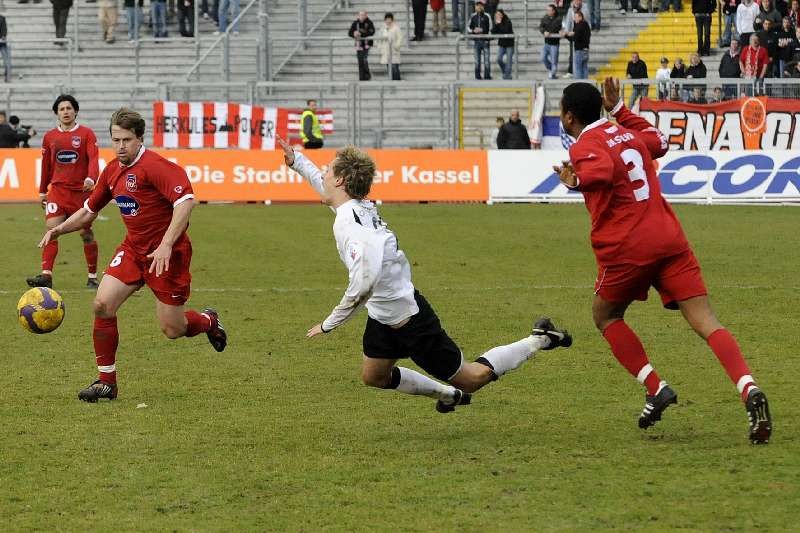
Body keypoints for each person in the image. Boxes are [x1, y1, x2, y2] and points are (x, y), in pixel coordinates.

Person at [275, 133, 573, 413]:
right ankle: (448, 395)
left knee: (472, 378)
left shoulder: (352, 227)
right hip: (383, 316)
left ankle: (539, 339)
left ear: (340, 181)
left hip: (410, 321)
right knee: (374, 375)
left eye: (327, 171)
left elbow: (363, 285)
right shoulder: (352, 207)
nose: (323, 174)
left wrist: (329, 323)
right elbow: (325, 187)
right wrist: (297, 161)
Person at [552, 78, 772, 444]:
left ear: (569, 117)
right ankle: (748, 386)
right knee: (706, 320)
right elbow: (661, 141)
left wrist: (576, 180)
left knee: (605, 315)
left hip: (628, 246)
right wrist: (620, 110)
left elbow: (600, 172)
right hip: (669, 237)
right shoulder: (626, 134)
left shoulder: (585, 145)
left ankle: (656, 387)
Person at [36, 108, 227, 402]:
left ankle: (208, 321)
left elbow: (186, 202)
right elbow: (88, 210)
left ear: (139, 138)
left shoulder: (157, 166)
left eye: (126, 140)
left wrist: (166, 244)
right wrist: (59, 229)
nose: (121, 146)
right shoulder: (112, 170)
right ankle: (106, 383)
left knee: (173, 329)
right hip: (133, 250)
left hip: (168, 255)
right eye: (116, 140)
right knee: (102, 305)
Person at [27, 95, 100, 290]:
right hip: (58, 192)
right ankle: (46, 275)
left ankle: (92, 277)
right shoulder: (50, 137)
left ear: (76, 111)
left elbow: (94, 159)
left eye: (69, 108)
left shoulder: (86, 134)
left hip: (80, 193)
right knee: (52, 230)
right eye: (62, 109)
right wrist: (42, 191)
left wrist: (91, 178)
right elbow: (46, 166)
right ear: (57, 113)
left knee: (86, 234)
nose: (66, 112)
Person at [349, 11, 375, 81]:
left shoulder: (369, 22)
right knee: (360, 60)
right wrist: (354, 34)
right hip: (359, 44)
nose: (362, 16)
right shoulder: (355, 23)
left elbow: (372, 32)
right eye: (361, 15)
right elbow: (349, 33)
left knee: (364, 59)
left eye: (363, 15)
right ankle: (362, 77)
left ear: (366, 15)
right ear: (358, 15)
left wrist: (361, 34)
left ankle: (366, 75)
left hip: (367, 44)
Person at [468, 2, 492, 80]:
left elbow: (491, 27)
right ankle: (477, 76)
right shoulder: (473, 16)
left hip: (485, 41)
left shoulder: (487, 16)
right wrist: (473, 31)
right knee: (477, 60)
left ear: (483, 7)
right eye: (477, 6)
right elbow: (468, 27)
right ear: (475, 7)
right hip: (476, 41)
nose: (479, 7)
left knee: (487, 60)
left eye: (480, 6)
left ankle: (487, 76)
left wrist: (483, 30)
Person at [540, 4, 562, 79]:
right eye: (547, 10)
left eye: (549, 10)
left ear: (554, 11)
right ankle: (551, 69)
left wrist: (561, 30)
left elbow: (561, 27)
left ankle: (552, 75)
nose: (548, 12)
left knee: (554, 62)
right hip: (546, 43)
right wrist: (544, 31)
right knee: (543, 58)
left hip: (554, 44)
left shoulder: (559, 19)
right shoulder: (545, 18)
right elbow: (541, 27)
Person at [492, 9, 514, 79]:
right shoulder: (497, 22)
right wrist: (496, 24)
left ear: (502, 15)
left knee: (509, 61)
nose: (498, 16)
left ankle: (507, 76)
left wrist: (500, 23)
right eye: (497, 15)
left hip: (509, 44)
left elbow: (505, 30)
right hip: (502, 44)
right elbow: (493, 32)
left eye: (499, 14)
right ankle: (505, 72)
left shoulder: (507, 21)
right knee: (499, 59)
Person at [379, 13, 402, 81]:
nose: (388, 21)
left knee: (395, 67)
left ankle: (397, 81)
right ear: (385, 20)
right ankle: (392, 82)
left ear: (392, 20)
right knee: (389, 67)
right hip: (386, 50)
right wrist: (380, 47)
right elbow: (379, 38)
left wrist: (397, 46)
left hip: (394, 50)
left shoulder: (396, 28)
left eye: (389, 19)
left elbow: (400, 38)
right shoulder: (383, 29)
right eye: (387, 19)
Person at [569, 10, 590, 79]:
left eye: (576, 17)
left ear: (580, 17)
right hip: (586, 49)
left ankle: (579, 83)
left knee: (578, 68)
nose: (574, 19)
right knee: (584, 67)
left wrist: (567, 35)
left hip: (580, 49)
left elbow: (575, 38)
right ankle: (585, 83)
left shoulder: (580, 25)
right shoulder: (586, 25)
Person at [0, 14, 10, 82]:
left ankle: (7, 76)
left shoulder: (2, 18)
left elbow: (4, 29)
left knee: (6, 59)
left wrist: (3, 36)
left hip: (1, 42)